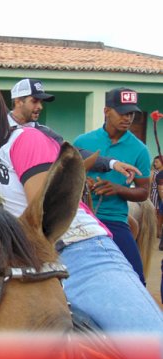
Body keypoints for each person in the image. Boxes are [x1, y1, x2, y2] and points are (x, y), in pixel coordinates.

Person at [0, 73, 163, 333]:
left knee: (149, 342)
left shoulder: (24, 140)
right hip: (13, 267)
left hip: (76, 252)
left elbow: (42, 218)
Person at [73, 88, 151, 286]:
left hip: (114, 219)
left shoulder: (140, 149)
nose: (128, 118)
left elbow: (143, 193)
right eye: (123, 112)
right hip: (81, 218)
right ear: (107, 111)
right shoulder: (83, 141)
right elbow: (70, 177)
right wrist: (86, 183)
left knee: (137, 279)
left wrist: (118, 189)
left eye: (132, 113)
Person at [8, 78, 141, 182]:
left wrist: (113, 163)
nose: (40, 107)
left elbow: (72, 153)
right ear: (19, 101)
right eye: (34, 101)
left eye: (41, 102)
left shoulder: (45, 133)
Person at [150, 155, 163, 240]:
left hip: (161, 193)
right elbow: (150, 186)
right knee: (156, 213)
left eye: (157, 162)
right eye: (154, 162)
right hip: (155, 193)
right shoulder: (153, 173)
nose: (155, 164)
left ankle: (159, 231)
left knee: (160, 214)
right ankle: (156, 232)